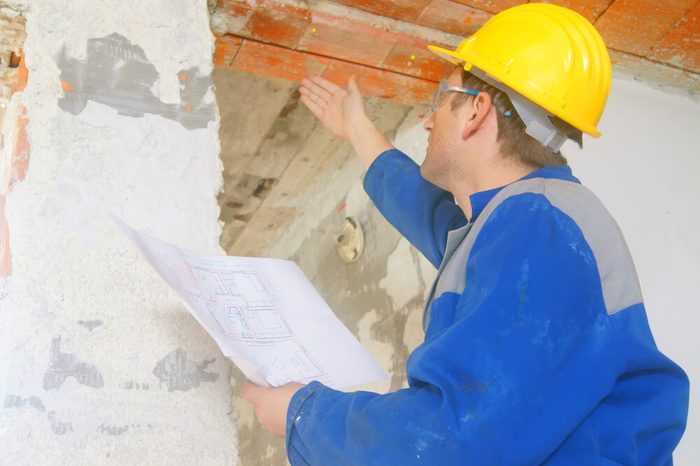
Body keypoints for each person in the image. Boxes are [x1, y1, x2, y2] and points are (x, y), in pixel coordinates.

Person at [240, 4, 689, 464]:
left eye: (440, 99)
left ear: (477, 110)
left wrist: (302, 416)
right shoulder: (525, 219)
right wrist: (358, 129)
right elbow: (434, 218)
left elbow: (457, 440)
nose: (429, 120)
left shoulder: (542, 228)